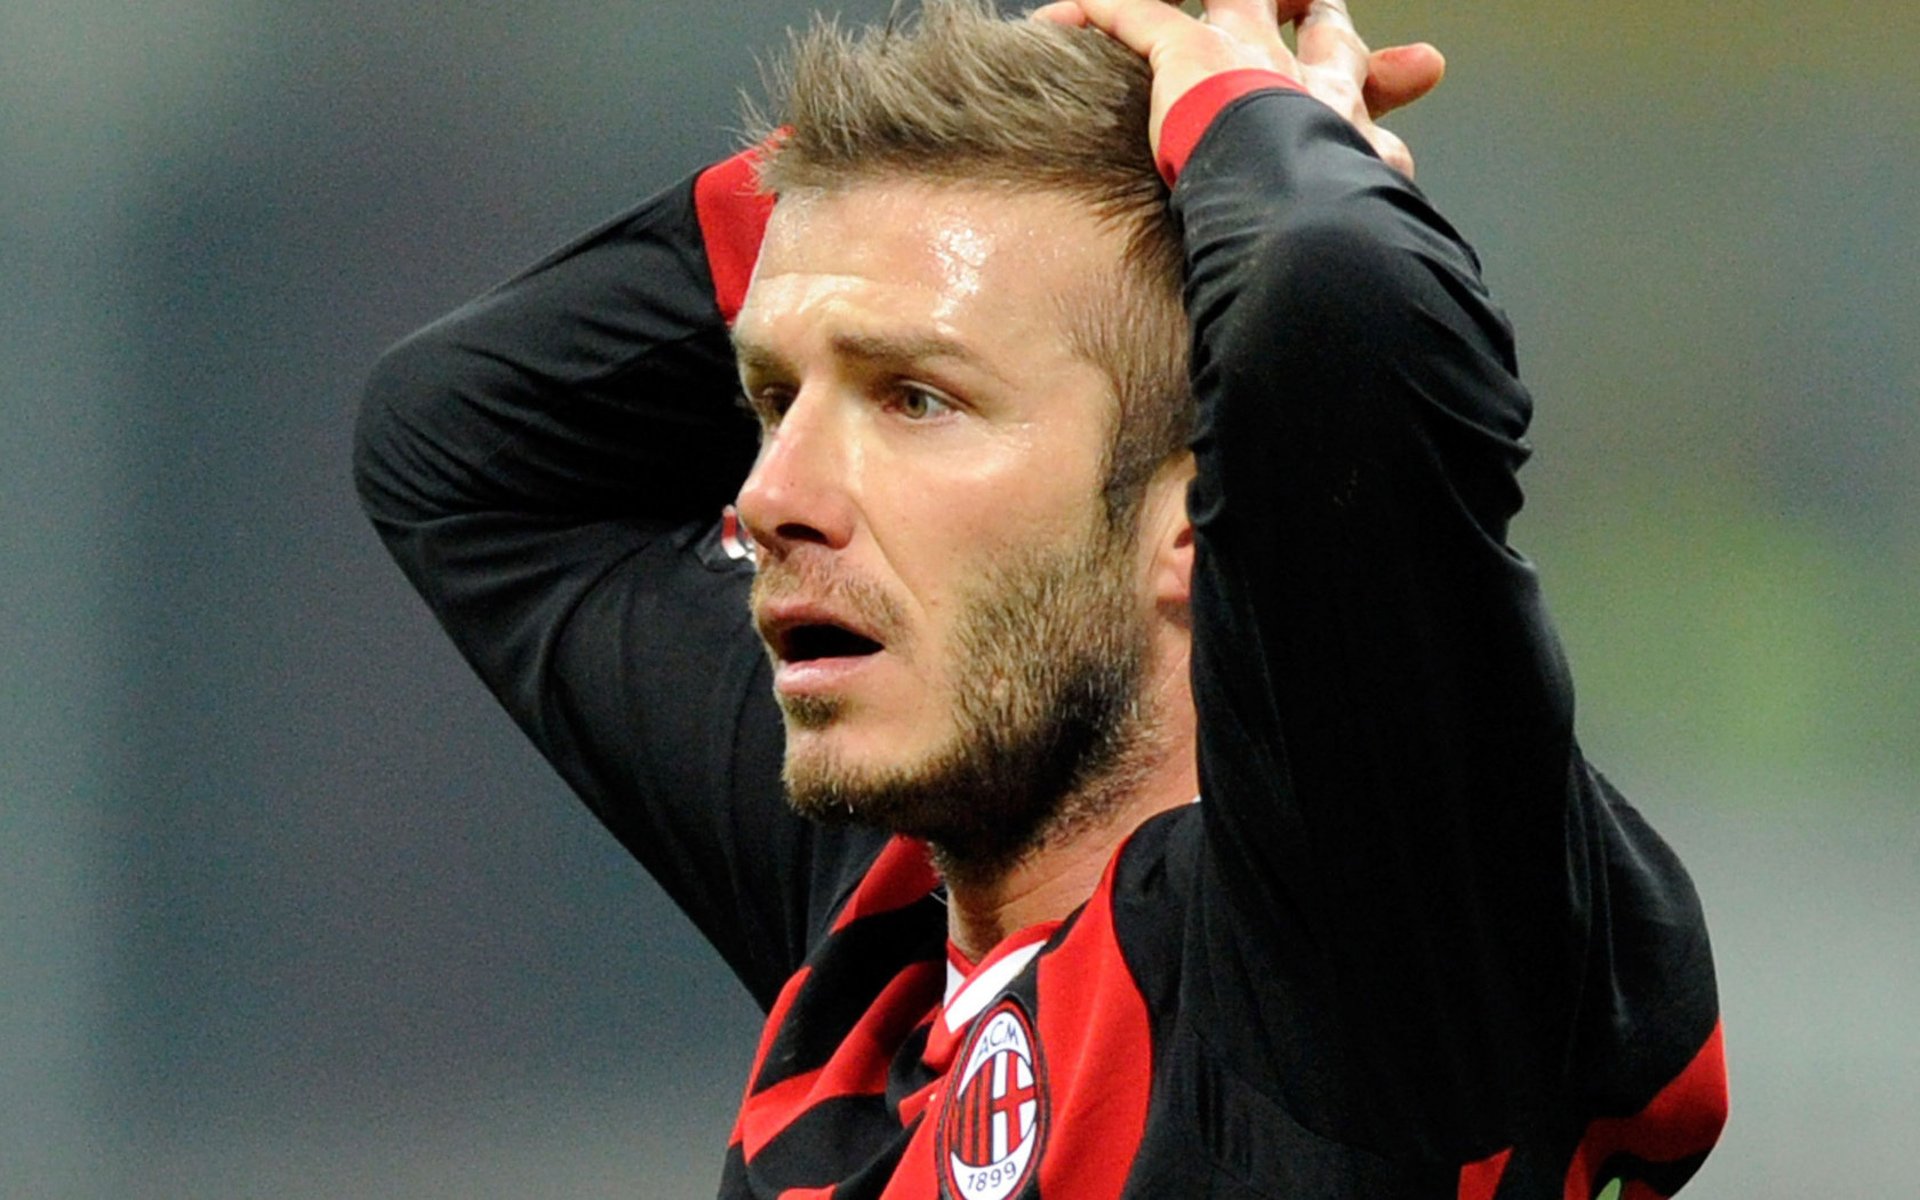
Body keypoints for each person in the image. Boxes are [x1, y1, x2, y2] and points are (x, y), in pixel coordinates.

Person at [355, 0, 1727, 1195]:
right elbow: (461, 444)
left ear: (1200, 512)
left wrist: (1244, 122)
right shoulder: (887, 914)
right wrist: (949, 166)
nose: (771, 495)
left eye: (917, 399)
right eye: (771, 398)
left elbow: (1339, 296)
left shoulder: (1368, 933)